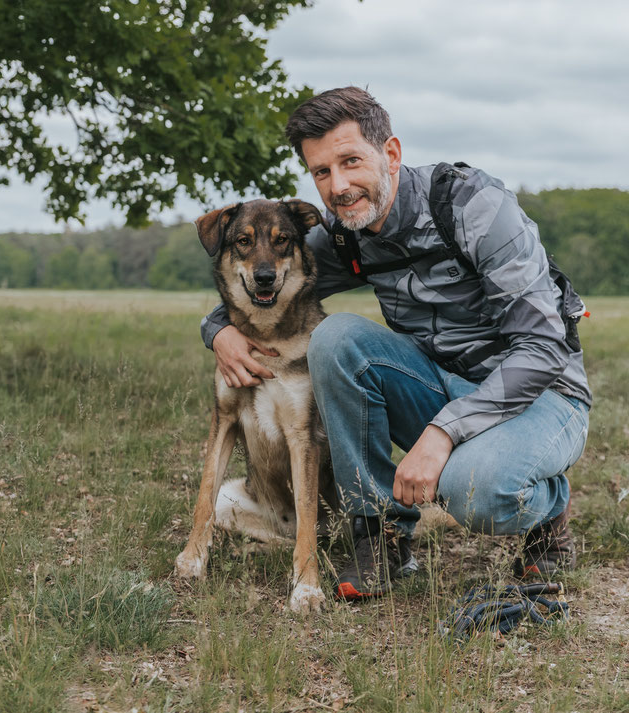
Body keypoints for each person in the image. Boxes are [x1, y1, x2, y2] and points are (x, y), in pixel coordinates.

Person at [200, 87, 592, 600]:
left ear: (390, 153)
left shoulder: (475, 206)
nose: (338, 186)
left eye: (350, 161)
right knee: (337, 337)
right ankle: (380, 533)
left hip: (542, 394)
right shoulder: (346, 233)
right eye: (321, 171)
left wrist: (443, 434)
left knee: (476, 494)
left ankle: (550, 509)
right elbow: (272, 281)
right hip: (436, 383)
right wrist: (218, 331)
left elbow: (543, 347)